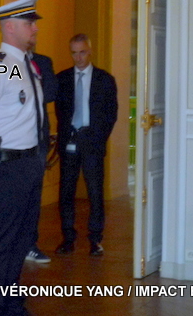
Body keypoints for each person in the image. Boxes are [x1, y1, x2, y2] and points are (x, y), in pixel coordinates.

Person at [0, 0, 46, 316]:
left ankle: (11, 302)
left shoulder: (28, 65)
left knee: (21, 239)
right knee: (1, 240)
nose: (35, 29)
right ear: (10, 27)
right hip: (5, 167)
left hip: (29, 162)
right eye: (29, 23)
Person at [54, 33, 118, 257]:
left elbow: (111, 114)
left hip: (93, 142)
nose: (78, 57)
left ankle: (95, 239)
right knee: (66, 191)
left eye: (82, 52)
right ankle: (68, 237)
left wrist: (98, 137)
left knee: (95, 192)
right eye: (74, 53)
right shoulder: (62, 79)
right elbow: (60, 111)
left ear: (89, 51)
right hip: (70, 141)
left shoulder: (104, 79)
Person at [24, 42, 56, 264]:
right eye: (28, 26)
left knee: (34, 194)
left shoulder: (42, 62)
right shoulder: (2, 64)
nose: (33, 32)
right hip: (13, 144)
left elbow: (51, 92)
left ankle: (30, 244)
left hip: (38, 137)